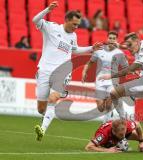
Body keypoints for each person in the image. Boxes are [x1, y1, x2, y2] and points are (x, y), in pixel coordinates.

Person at [32, 1, 103, 141]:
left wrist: (90, 48)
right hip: (45, 69)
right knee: (41, 108)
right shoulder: (51, 28)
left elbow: (74, 50)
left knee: (53, 98)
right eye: (74, 24)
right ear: (67, 20)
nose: (76, 27)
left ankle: (42, 130)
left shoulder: (73, 37)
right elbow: (35, 20)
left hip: (63, 71)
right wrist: (47, 9)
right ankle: (45, 118)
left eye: (78, 25)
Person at [99, 32, 143, 134]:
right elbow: (128, 46)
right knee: (114, 93)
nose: (129, 48)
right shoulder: (138, 44)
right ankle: (123, 120)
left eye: (130, 45)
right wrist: (119, 45)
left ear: (137, 42)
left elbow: (128, 70)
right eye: (127, 45)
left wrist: (111, 76)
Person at [82, 31, 128, 122]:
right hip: (100, 81)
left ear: (116, 40)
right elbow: (90, 62)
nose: (111, 40)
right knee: (100, 108)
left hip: (113, 81)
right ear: (107, 39)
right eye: (110, 38)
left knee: (108, 104)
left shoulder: (120, 53)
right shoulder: (99, 51)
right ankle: (117, 107)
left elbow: (126, 67)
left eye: (114, 38)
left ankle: (106, 123)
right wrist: (84, 71)